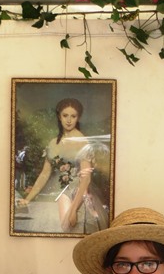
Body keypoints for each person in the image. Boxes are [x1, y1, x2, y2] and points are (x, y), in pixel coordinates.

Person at [17, 98, 108, 233]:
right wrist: (28, 199)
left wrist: (73, 210)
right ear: (59, 117)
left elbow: (86, 178)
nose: (69, 120)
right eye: (65, 115)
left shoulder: (82, 142)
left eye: (73, 116)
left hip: (77, 196)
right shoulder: (53, 143)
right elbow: (44, 174)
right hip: (54, 196)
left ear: (78, 118)